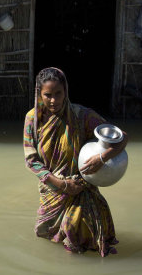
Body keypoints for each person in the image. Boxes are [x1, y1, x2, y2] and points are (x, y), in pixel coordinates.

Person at [23, 67, 128, 256]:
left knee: (73, 234)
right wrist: (62, 185)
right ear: (39, 94)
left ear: (66, 92)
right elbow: (31, 160)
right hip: (52, 188)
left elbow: (121, 138)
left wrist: (102, 158)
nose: (53, 100)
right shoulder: (33, 119)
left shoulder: (82, 116)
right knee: (44, 232)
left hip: (80, 187)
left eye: (58, 94)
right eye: (48, 95)